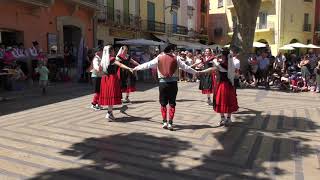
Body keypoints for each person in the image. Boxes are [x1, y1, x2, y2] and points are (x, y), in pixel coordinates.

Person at [133, 44, 198, 131]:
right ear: (171, 50)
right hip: (173, 83)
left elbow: (148, 64)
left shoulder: (159, 57)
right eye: (174, 50)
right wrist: (196, 72)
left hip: (162, 83)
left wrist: (136, 68)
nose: (175, 52)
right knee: (172, 103)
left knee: (163, 103)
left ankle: (164, 122)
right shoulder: (176, 58)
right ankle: (170, 123)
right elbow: (185, 67)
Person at [200, 49, 239, 126]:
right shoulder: (231, 65)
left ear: (224, 56)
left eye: (222, 55)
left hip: (222, 86)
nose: (221, 56)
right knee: (229, 101)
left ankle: (222, 118)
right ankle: (228, 118)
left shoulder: (221, 65)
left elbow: (212, 69)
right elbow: (236, 75)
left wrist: (201, 72)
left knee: (220, 101)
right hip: (230, 86)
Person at [100, 45, 133, 121]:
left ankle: (109, 113)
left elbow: (99, 69)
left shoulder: (104, 59)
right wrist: (128, 68)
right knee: (111, 95)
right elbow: (120, 65)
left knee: (109, 96)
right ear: (111, 51)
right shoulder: (112, 59)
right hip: (111, 78)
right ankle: (109, 113)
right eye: (113, 50)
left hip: (105, 78)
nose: (114, 51)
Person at [89, 46, 103, 110]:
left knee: (99, 91)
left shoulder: (101, 58)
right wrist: (98, 68)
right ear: (99, 52)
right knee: (98, 92)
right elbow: (96, 66)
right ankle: (94, 104)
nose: (103, 52)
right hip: (96, 76)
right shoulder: (96, 58)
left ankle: (97, 104)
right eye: (102, 51)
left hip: (100, 76)